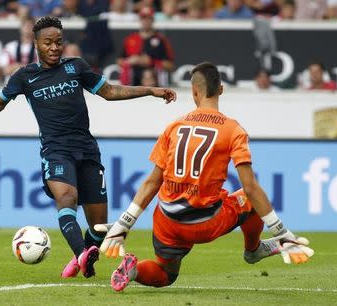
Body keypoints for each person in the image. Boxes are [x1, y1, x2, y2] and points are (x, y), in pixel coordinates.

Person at [0, 16, 177, 279]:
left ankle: (78, 256)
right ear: (36, 44)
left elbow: (110, 91)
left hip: (87, 150)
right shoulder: (24, 77)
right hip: (56, 150)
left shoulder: (76, 67)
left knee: (99, 226)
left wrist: (150, 90)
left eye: (59, 42)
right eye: (48, 43)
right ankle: (81, 254)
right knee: (67, 198)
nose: (55, 47)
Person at [95, 62, 314, 292]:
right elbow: (250, 187)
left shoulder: (174, 126)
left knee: (167, 273)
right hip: (206, 223)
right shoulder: (233, 130)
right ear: (221, 90)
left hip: (166, 221)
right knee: (248, 200)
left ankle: (135, 270)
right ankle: (253, 250)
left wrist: (123, 224)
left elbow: (152, 181)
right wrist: (281, 233)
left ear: (194, 92)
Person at [117, 6, 175, 86]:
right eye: (143, 18)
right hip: (132, 83)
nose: (146, 21)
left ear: (152, 20)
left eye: (148, 18)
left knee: (148, 75)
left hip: (155, 83)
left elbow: (170, 65)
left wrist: (151, 62)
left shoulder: (161, 40)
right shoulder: (130, 39)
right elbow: (119, 60)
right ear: (140, 20)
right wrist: (130, 61)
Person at [0, 16, 37, 81]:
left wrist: (17, 67)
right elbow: (6, 70)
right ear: (21, 28)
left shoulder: (41, 48)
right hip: (12, 87)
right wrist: (29, 67)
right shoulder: (10, 47)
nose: (28, 27)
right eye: (25, 25)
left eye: (30, 25)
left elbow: (41, 71)